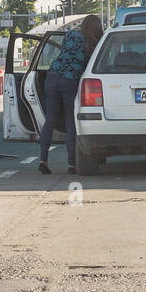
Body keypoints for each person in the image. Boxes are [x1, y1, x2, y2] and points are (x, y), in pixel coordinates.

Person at [38, 14, 103, 175]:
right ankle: (72, 164)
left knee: (50, 120)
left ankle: (42, 160)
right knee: (70, 122)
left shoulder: (70, 35)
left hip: (52, 76)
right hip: (69, 80)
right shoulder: (94, 43)